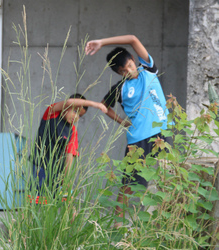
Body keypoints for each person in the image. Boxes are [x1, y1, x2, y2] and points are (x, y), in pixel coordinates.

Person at [85, 34, 170, 226]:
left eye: (130, 65)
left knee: (164, 179)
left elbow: (132, 39)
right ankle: (117, 225)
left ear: (134, 60)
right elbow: (104, 106)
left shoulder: (148, 70)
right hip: (137, 139)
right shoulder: (121, 88)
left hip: (162, 133)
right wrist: (124, 123)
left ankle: (159, 225)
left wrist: (101, 42)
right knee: (129, 185)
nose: (130, 71)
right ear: (118, 73)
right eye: (124, 71)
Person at [31, 94, 108, 204]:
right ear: (66, 108)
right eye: (75, 111)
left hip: (57, 171)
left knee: (66, 202)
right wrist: (95, 104)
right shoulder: (52, 113)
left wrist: (66, 180)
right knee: (37, 200)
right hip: (40, 166)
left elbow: (69, 155)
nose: (76, 117)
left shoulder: (72, 131)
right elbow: (68, 102)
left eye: (80, 116)